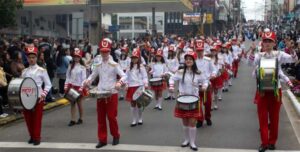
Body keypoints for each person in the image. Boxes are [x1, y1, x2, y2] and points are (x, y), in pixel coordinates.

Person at [248, 31, 297, 152]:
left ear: (274, 43)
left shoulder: (279, 54)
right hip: (262, 91)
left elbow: (293, 60)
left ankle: (272, 142)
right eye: (265, 41)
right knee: (262, 118)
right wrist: (252, 51)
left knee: (274, 118)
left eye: (270, 41)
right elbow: (249, 63)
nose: (268, 44)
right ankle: (264, 143)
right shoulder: (259, 55)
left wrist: (291, 50)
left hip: (276, 90)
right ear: (263, 43)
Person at [83, 38, 126, 148]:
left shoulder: (114, 64)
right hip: (101, 93)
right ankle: (102, 139)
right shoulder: (98, 64)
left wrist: (120, 82)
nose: (104, 53)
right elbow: (93, 75)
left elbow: (124, 76)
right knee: (100, 118)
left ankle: (116, 135)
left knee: (111, 117)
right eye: (102, 51)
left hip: (112, 93)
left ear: (109, 51)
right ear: (100, 51)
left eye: (106, 51)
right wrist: (88, 81)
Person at [169, 50, 208, 151]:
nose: (188, 61)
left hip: (194, 100)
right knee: (185, 121)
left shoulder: (198, 72)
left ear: (194, 61)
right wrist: (171, 86)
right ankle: (186, 140)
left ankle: (192, 142)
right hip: (182, 99)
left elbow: (205, 80)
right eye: (187, 59)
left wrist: (204, 86)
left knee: (192, 122)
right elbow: (172, 78)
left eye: (190, 59)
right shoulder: (180, 72)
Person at [21, 46, 52, 145]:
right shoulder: (24, 72)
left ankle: (37, 138)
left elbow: (48, 84)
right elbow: (21, 85)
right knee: (28, 118)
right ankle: (31, 136)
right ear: (27, 58)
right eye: (29, 57)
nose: (31, 59)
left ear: (36, 58)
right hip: (26, 98)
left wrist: (44, 94)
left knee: (37, 119)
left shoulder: (42, 70)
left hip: (39, 97)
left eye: (33, 57)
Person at [195, 40, 217, 127]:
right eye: (198, 50)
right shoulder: (193, 60)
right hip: (196, 85)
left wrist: (213, 75)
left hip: (206, 84)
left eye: (201, 51)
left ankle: (208, 117)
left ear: (203, 51)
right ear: (196, 50)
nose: (200, 52)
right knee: (198, 104)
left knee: (207, 104)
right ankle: (200, 120)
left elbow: (214, 69)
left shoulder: (208, 60)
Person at [125, 48, 148, 127]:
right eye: (133, 58)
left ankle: (140, 118)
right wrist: (126, 84)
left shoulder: (141, 67)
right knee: (132, 104)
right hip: (131, 86)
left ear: (138, 58)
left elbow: (145, 76)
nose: (134, 59)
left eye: (135, 58)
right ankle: (134, 119)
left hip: (139, 86)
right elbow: (126, 77)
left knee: (139, 104)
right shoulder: (128, 67)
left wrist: (145, 84)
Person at [64, 48, 87, 126]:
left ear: (80, 57)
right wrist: (66, 85)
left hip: (79, 87)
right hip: (71, 86)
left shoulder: (83, 67)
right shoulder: (70, 66)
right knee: (72, 103)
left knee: (79, 103)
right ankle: (72, 119)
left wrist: (81, 88)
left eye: (77, 56)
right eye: (75, 56)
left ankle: (81, 118)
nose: (76, 58)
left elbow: (84, 79)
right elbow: (67, 76)